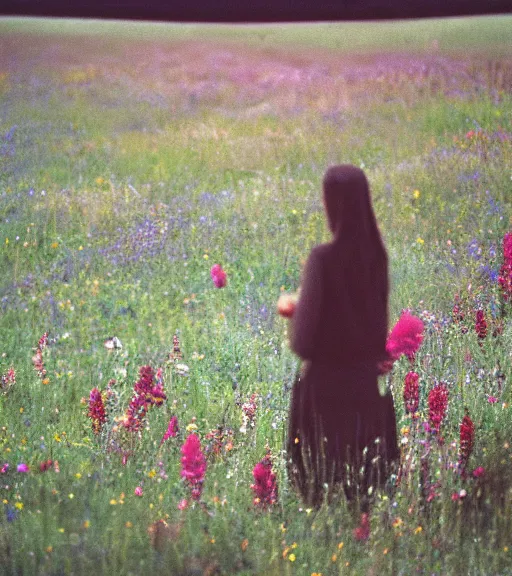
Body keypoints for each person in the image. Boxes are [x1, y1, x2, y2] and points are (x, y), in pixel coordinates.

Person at [279, 164, 399, 514]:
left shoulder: (322, 259)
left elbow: (303, 344)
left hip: (323, 394)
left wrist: (295, 310)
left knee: (321, 496)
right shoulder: (376, 258)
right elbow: (375, 335)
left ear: (332, 203)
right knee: (361, 499)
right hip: (364, 392)